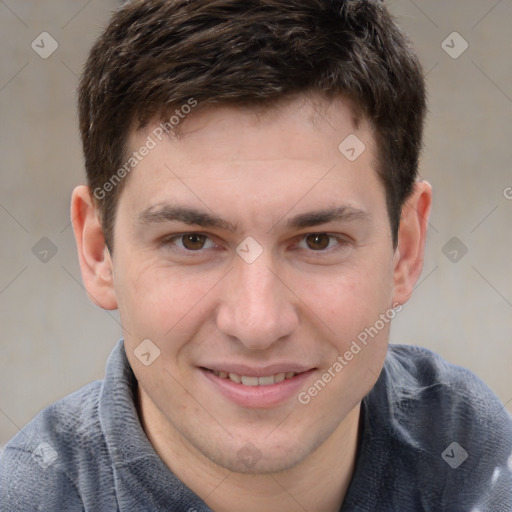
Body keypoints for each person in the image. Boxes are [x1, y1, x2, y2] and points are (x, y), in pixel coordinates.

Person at [1, 0, 511, 510]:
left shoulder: (482, 464)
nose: (258, 323)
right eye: (192, 240)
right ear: (98, 252)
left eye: (318, 241)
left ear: (407, 248)